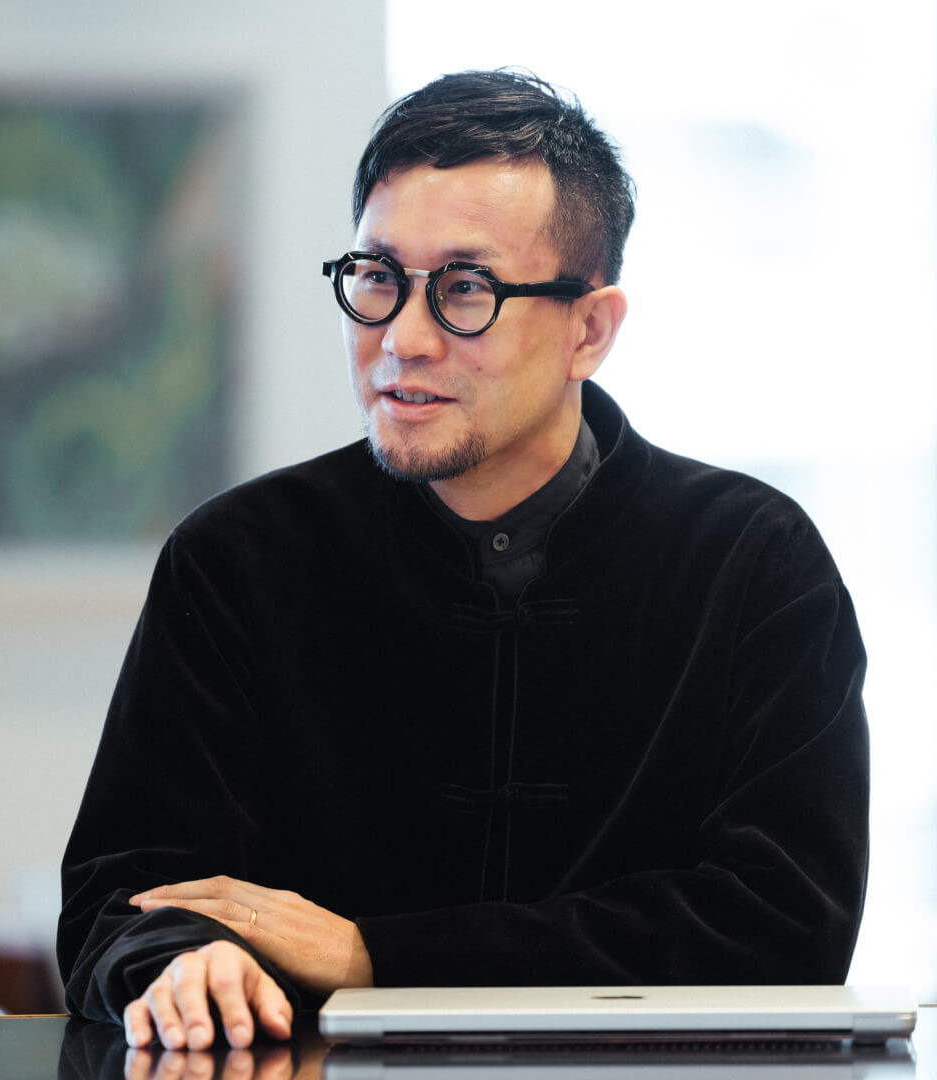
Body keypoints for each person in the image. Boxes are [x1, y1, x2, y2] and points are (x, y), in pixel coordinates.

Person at [56, 69, 869, 1053]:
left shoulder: (754, 562)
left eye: (465, 290)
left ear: (589, 330)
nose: (401, 339)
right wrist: (182, 963)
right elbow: (120, 900)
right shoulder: (236, 559)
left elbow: (786, 927)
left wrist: (376, 955)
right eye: (376, 278)